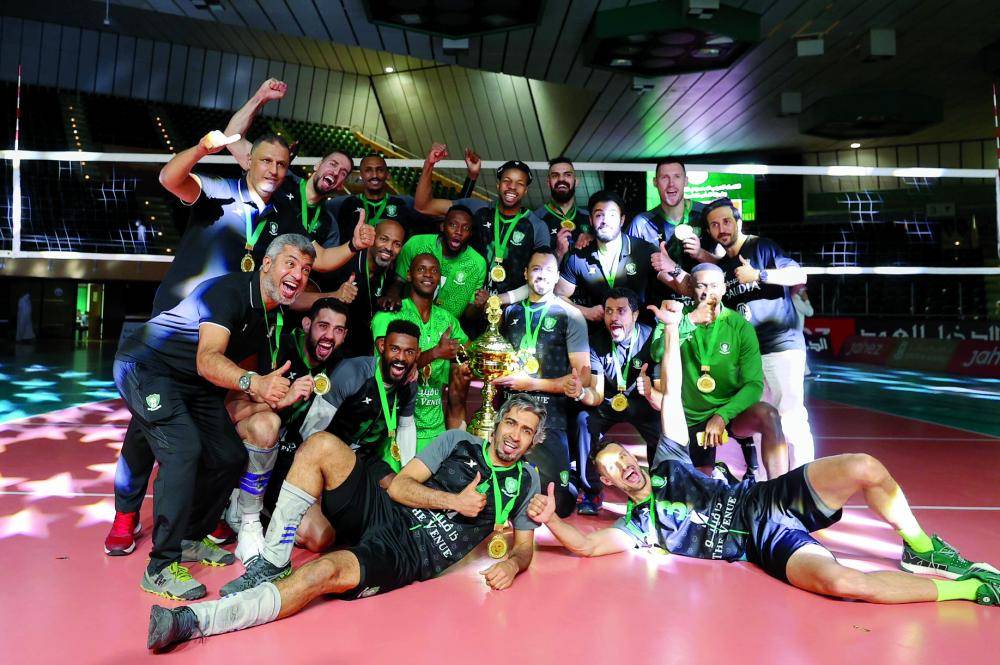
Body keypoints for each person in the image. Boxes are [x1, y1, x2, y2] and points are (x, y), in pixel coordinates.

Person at [526, 299, 1000, 609]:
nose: (624, 465)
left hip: (769, 497)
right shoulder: (639, 527)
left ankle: (922, 548)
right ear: (609, 483)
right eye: (612, 468)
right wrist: (550, 520)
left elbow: (672, 396)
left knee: (864, 466)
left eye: (624, 457)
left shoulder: (669, 462)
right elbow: (586, 546)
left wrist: (671, 332)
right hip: (766, 542)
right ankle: (973, 588)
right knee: (845, 584)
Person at [104, 119, 369, 556]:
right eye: (266, 161)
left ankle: (201, 515)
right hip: (179, 326)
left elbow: (316, 258)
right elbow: (169, 178)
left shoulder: (282, 215)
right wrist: (200, 149)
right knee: (148, 428)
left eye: (281, 165)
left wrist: (354, 248)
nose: (274, 170)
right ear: (248, 161)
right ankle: (126, 513)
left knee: (213, 425)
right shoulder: (219, 190)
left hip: (232, 331)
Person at [146, 395, 545, 652]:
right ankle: (273, 560)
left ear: (533, 441)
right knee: (321, 445)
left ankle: (195, 621)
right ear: (498, 423)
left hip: (408, 554)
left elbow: (525, 547)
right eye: (511, 423)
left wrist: (512, 564)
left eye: (526, 431)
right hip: (387, 510)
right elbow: (399, 486)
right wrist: (453, 501)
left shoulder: (528, 482)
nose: (515, 435)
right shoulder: (457, 442)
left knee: (324, 571)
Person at [113, 234, 314, 600]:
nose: (298, 275)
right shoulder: (228, 293)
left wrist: (276, 393)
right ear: (266, 264)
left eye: (306, 269)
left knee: (228, 454)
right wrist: (254, 382)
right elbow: (208, 359)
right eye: (291, 263)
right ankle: (160, 567)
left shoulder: (272, 316)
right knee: (183, 450)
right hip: (146, 366)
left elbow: (239, 382)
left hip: (192, 381)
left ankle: (189, 536)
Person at [224, 298, 350, 561]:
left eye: (338, 330)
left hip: (291, 463)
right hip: (251, 451)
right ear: (307, 324)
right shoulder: (276, 347)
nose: (329, 336)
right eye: (323, 326)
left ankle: (263, 509)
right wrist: (283, 400)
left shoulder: (340, 365)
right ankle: (246, 516)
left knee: (320, 537)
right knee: (267, 424)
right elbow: (231, 411)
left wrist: (411, 371)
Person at [645, 263, 788, 480]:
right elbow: (657, 353)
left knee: (769, 415)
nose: (707, 292)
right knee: (700, 482)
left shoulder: (740, 327)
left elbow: (754, 384)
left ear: (723, 289)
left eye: (714, 286)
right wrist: (689, 321)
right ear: (690, 288)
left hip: (729, 412)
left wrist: (722, 415)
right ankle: (717, 471)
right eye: (701, 286)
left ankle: (780, 490)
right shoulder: (675, 316)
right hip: (689, 416)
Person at [702, 197, 815, 469]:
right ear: (709, 231)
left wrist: (759, 275)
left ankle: (804, 484)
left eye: (726, 221)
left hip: (781, 348)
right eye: (715, 225)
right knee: (762, 423)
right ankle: (768, 486)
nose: (722, 228)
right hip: (750, 358)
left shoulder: (762, 247)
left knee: (791, 420)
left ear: (738, 221)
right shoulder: (723, 268)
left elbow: (798, 275)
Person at [495, 248, 590, 518]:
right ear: (526, 273)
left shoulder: (570, 316)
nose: (541, 275)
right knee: (499, 497)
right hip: (511, 413)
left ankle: (570, 478)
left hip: (549, 417)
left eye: (549, 270)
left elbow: (582, 377)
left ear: (558, 276)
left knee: (559, 506)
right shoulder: (509, 313)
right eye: (536, 268)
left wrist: (531, 385)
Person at [414, 143, 550, 300]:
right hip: (466, 301)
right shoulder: (476, 209)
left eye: (519, 184)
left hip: (511, 306)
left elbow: (543, 276)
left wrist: (502, 300)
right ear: (498, 185)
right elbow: (423, 206)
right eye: (507, 181)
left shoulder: (537, 226)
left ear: (525, 190)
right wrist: (429, 164)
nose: (512, 187)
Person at [373, 253, 471, 469]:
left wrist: (466, 365)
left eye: (434, 270)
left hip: (435, 430)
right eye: (421, 269)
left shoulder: (447, 320)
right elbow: (384, 371)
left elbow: (468, 351)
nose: (428, 274)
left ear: (440, 279)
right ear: (409, 275)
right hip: (394, 427)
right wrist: (435, 353)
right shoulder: (390, 316)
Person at [572, 288, 662, 515]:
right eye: (609, 311)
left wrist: (650, 393)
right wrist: (581, 393)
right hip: (609, 402)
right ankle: (591, 491)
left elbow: (663, 395)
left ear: (635, 315)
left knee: (663, 426)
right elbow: (597, 394)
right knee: (584, 419)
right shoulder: (596, 342)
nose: (614, 317)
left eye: (621, 311)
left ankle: (660, 489)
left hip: (643, 402)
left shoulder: (652, 338)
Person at [557, 190, 663, 326]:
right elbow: (557, 296)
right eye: (599, 215)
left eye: (612, 215)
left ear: (622, 220)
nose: (605, 221)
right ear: (591, 220)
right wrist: (585, 312)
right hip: (598, 336)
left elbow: (672, 286)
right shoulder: (579, 257)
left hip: (641, 334)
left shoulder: (644, 250)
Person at [336, 152, 472, 240]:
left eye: (380, 170)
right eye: (368, 170)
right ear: (361, 174)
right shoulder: (349, 205)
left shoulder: (402, 204)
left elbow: (455, 213)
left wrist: (471, 178)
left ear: (387, 174)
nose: (375, 175)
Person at [392, 204, 488, 324]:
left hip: (447, 328)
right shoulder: (416, 244)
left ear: (471, 233)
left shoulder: (478, 264)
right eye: (453, 225)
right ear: (442, 226)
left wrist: (478, 306)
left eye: (466, 228)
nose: (459, 232)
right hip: (407, 319)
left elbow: (469, 315)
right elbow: (398, 281)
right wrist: (392, 296)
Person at [326, 219, 406, 358]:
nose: (389, 248)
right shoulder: (346, 261)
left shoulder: (389, 270)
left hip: (364, 349)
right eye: (384, 239)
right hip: (334, 345)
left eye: (397, 244)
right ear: (372, 239)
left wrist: (390, 294)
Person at [628, 158, 715, 270]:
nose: (671, 184)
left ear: (686, 181)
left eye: (677, 176)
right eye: (665, 177)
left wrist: (700, 254)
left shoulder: (707, 215)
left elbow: (727, 263)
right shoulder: (641, 224)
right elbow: (629, 268)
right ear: (655, 182)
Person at [533, 157, 593, 259]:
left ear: (576, 182)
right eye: (555, 175)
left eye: (567, 175)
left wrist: (594, 238)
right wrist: (558, 253)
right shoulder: (535, 219)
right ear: (548, 183)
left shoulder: (590, 219)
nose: (561, 179)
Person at [791, 285, 815, 376]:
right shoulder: (796, 300)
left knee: (798, 353)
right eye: (804, 291)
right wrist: (807, 300)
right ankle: (806, 373)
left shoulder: (792, 300)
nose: (805, 293)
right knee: (800, 352)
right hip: (795, 333)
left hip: (794, 331)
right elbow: (810, 312)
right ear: (799, 291)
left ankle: (806, 372)